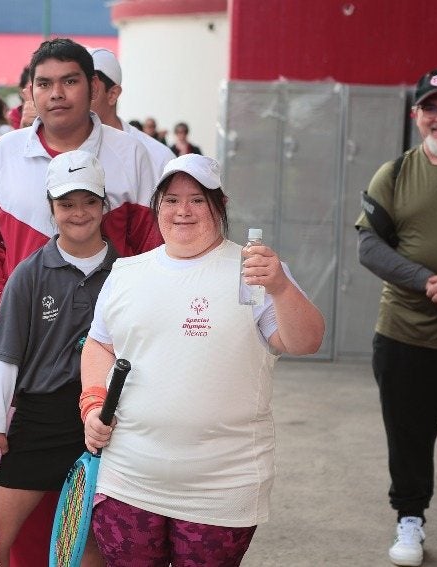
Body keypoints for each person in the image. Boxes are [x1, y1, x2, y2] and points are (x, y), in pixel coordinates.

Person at [0, 37, 159, 567]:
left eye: (70, 81)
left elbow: (152, 249)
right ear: (30, 91)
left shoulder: (133, 155)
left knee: (92, 523)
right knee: (11, 524)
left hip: (106, 383)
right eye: (44, 83)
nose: (57, 94)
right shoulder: (3, 153)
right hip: (30, 373)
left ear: (93, 88)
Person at [81, 153, 325, 567]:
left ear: (220, 204)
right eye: (171, 200)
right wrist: (91, 403)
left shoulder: (256, 271)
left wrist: (281, 287)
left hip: (222, 487)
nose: (182, 211)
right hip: (128, 478)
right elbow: (100, 345)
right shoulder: (126, 272)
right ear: (157, 206)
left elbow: (305, 341)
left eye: (196, 199)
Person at [355, 68, 437, 567]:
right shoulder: (395, 173)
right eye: (431, 107)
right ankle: (410, 520)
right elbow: (369, 246)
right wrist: (433, 282)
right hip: (406, 336)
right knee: (408, 439)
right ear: (416, 116)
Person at [0, 150, 118, 567]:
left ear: (104, 205)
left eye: (89, 201)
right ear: (51, 208)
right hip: (38, 419)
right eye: (66, 204)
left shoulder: (127, 273)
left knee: (90, 545)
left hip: (103, 421)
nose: (79, 213)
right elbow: (6, 357)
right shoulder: (29, 272)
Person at [88, 47, 174, 181]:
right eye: (72, 84)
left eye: (90, 88)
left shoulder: (157, 157)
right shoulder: (53, 149)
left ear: (112, 94)